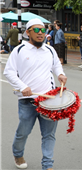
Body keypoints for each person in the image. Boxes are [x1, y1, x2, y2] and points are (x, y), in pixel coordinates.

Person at [3, 18, 67, 170]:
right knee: (23, 133)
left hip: (49, 101)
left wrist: (61, 75)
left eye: (43, 30)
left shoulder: (50, 50)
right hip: (27, 101)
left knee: (49, 135)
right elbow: (9, 72)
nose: (41, 33)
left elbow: (56, 66)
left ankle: (47, 165)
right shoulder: (19, 50)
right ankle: (18, 154)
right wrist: (23, 86)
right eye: (36, 30)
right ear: (28, 32)